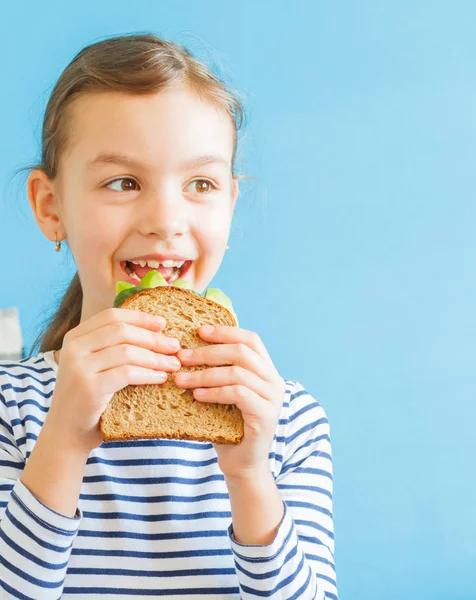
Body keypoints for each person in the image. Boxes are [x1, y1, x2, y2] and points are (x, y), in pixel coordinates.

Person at [0, 33, 336, 599]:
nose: (165, 219)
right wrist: (62, 440)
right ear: (50, 207)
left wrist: (251, 477)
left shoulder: (286, 419)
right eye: (123, 182)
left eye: (200, 184)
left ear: (229, 202)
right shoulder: (12, 409)